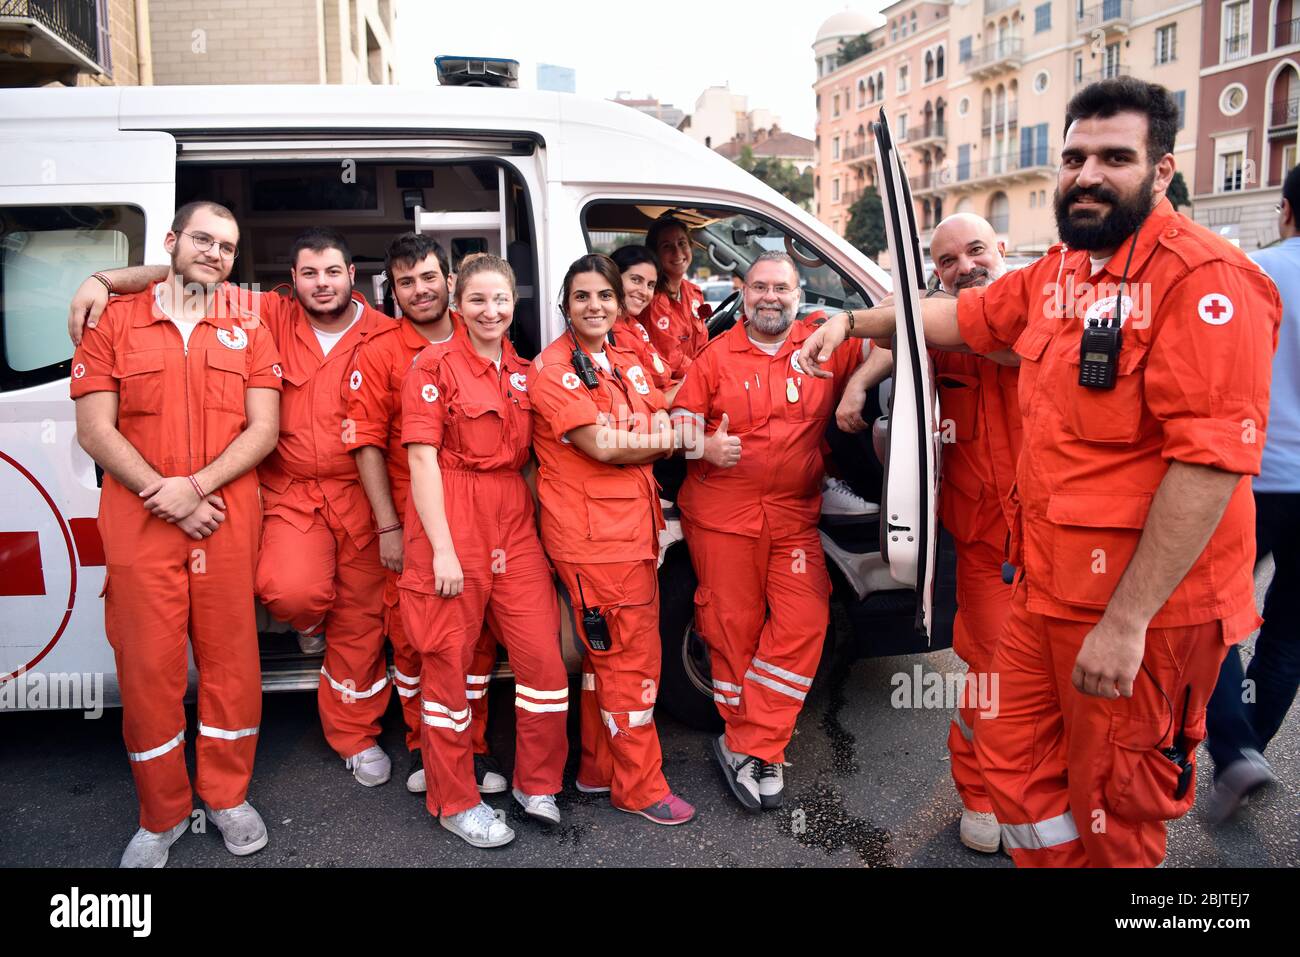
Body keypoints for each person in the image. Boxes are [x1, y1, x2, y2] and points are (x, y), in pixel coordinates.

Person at [800, 78, 1281, 867]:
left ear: (1162, 171)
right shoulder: (1066, 273)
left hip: (1143, 613)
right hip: (1044, 588)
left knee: (1116, 803)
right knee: (1013, 758)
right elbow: (956, 318)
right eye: (1074, 157)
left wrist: (1125, 624)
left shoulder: (1205, 282)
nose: (1087, 174)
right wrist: (853, 319)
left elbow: (1209, 465)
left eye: (1114, 157)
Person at [69, 228, 401, 789]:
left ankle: (355, 735)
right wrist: (103, 280)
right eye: (310, 274)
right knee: (291, 590)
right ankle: (309, 624)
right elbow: (189, 274)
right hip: (291, 494)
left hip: (360, 496)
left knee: (363, 622)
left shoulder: (386, 334)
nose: (322, 284)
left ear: (355, 277)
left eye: (333, 272)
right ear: (290, 281)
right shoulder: (266, 313)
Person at [70, 201, 282, 867]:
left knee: (231, 666)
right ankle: (161, 813)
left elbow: (264, 427)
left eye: (227, 246)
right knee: (148, 671)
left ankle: (226, 796)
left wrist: (194, 487)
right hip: (139, 520)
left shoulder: (250, 320)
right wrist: (165, 494)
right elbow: (95, 430)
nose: (215, 253)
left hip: (222, 516)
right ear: (170, 242)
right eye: (202, 240)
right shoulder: (115, 320)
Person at [836, 213, 1021, 853]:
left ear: (1003, 249)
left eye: (976, 251)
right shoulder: (938, 325)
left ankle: (1038, 793)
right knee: (993, 676)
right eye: (947, 260)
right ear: (934, 271)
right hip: (983, 543)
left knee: (1055, 681)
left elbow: (993, 338)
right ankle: (980, 797)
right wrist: (858, 385)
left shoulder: (1042, 307)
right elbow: (895, 342)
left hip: (1059, 542)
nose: (965, 265)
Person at [671, 251, 866, 811]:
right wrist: (704, 444)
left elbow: (895, 328)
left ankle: (748, 742)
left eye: (781, 287)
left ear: (799, 294)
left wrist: (856, 388)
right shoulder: (715, 357)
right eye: (758, 287)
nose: (769, 297)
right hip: (722, 513)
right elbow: (680, 423)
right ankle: (760, 748)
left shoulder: (824, 343)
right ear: (743, 292)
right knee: (732, 628)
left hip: (791, 515)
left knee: (806, 617)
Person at [398, 254, 568, 848]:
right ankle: (454, 800)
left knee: (542, 660)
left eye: (500, 300)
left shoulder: (524, 372)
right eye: (477, 300)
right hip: (451, 515)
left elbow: (529, 463)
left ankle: (536, 783)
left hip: (512, 520)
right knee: (446, 661)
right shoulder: (432, 365)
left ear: (513, 304)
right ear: (457, 302)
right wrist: (443, 550)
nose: (490, 311)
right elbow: (420, 459)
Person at [528, 253, 695, 825]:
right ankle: (642, 788)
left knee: (606, 662)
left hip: (630, 534)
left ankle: (600, 771)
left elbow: (666, 400)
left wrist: (676, 417)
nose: (594, 306)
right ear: (565, 305)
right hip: (596, 542)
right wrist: (677, 438)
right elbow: (599, 444)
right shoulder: (552, 371)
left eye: (603, 295)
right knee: (630, 664)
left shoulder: (623, 359)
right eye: (582, 297)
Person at [1202, 162, 1300, 823]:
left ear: (1286, 210)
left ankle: (1233, 747)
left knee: (1210, 620)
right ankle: (1246, 753)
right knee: (1290, 633)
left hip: (1252, 480)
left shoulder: (1253, 271)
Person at [345, 233, 458, 793]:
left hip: (478, 518)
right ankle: (422, 745)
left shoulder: (485, 336)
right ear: (392, 290)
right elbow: (365, 443)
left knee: (471, 642)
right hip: (411, 519)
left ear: (450, 280)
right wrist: (388, 525)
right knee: (414, 638)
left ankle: (471, 748)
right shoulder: (382, 351)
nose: (420, 290)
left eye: (429, 277)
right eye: (406, 282)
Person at [609, 244, 677, 401]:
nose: (644, 292)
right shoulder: (612, 334)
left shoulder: (632, 323)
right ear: (613, 278)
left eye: (650, 285)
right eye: (635, 280)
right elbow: (646, 402)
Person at [642, 215, 708, 378]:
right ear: (655, 254)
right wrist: (707, 374)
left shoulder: (694, 292)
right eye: (667, 246)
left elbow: (701, 345)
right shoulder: (652, 300)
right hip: (672, 386)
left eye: (682, 243)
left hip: (695, 376)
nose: (677, 252)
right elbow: (671, 360)